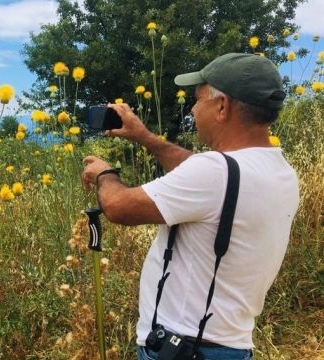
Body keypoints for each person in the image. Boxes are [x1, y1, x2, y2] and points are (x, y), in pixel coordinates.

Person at [81, 53, 299, 360]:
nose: (193, 109)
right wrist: (145, 138)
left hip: (182, 347)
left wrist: (104, 174)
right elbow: (208, 175)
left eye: (198, 100)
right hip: (229, 346)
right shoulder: (278, 170)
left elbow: (119, 207)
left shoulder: (213, 173)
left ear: (222, 106)